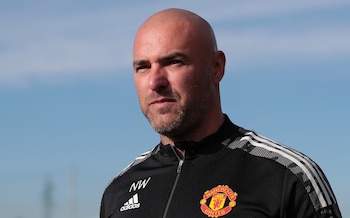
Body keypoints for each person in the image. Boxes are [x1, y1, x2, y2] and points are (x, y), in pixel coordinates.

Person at [100, 8, 342, 218]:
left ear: (217, 67)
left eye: (174, 62)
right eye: (142, 67)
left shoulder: (287, 176)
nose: (155, 81)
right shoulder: (118, 190)